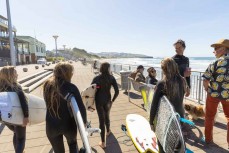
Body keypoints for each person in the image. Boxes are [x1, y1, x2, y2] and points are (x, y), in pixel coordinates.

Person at [43, 62, 87, 153]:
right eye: (71, 72)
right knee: (73, 145)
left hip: (51, 125)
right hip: (68, 125)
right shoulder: (71, 87)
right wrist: (84, 123)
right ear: (67, 73)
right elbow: (81, 108)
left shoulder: (47, 85)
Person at [149, 58, 188, 152]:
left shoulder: (162, 83)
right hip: (179, 116)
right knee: (176, 142)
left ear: (164, 69)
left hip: (166, 119)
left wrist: (151, 122)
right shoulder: (182, 80)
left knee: (163, 143)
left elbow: (154, 105)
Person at [202, 39, 229, 147]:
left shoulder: (215, 62)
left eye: (216, 48)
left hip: (213, 94)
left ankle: (208, 139)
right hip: (227, 96)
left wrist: (207, 89)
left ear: (223, 48)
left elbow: (205, 79)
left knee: (209, 117)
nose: (214, 51)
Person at [0, 66, 29, 153]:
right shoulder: (16, 86)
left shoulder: (0, 87)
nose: (17, 74)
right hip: (16, 116)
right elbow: (23, 102)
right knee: (21, 139)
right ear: (11, 75)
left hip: (5, 118)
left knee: (16, 133)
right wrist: (26, 116)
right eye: (15, 73)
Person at [91, 62, 119, 149]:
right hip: (107, 101)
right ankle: (108, 131)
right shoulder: (112, 78)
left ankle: (103, 143)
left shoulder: (96, 78)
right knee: (107, 115)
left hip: (99, 101)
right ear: (108, 69)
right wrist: (112, 100)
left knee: (101, 120)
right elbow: (117, 91)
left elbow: (90, 90)